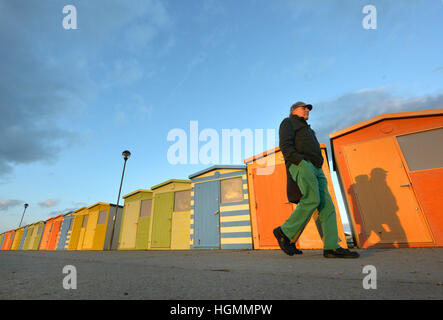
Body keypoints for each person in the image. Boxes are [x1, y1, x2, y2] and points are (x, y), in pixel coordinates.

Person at [273, 101, 359, 258]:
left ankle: (332, 247)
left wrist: (319, 164)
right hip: (302, 163)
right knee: (311, 199)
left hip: (316, 168)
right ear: (293, 110)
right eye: (303, 108)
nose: (307, 110)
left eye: (308, 109)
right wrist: (299, 161)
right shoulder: (288, 122)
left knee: (327, 206)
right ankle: (284, 232)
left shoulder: (308, 128)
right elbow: (285, 145)